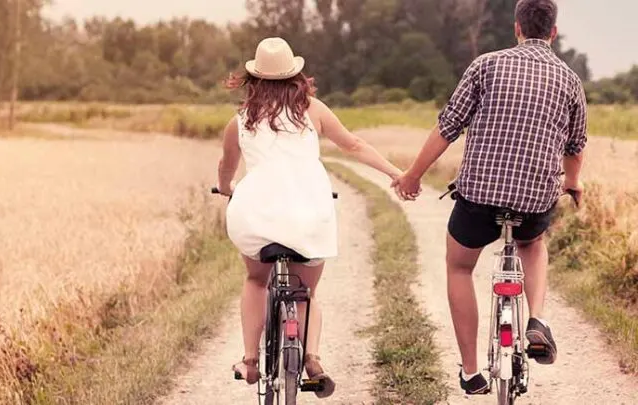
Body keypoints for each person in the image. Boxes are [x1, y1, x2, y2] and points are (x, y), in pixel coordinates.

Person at [393, 0, 587, 395]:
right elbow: (576, 144)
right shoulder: (569, 80)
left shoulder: (486, 65)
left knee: (460, 267)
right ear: (553, 31)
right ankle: (537, 320)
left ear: (517, 27)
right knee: (533, 243)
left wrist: (413, 176)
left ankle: (470, 371)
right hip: (534, 200)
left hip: (479, 197)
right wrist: (573, 182)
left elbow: (448, 127)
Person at [216, 37, 402, 398]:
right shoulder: (313, 110)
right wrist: (396, 173)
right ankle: (312, 359)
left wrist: (226, 187)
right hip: (309, 212)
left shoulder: (238, 122)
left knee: (256, 280)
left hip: (255, 215)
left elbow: (226, 169)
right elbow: (354, 145)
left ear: (253, 79)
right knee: (307, 290)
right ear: (295, 77)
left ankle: (251, 361)